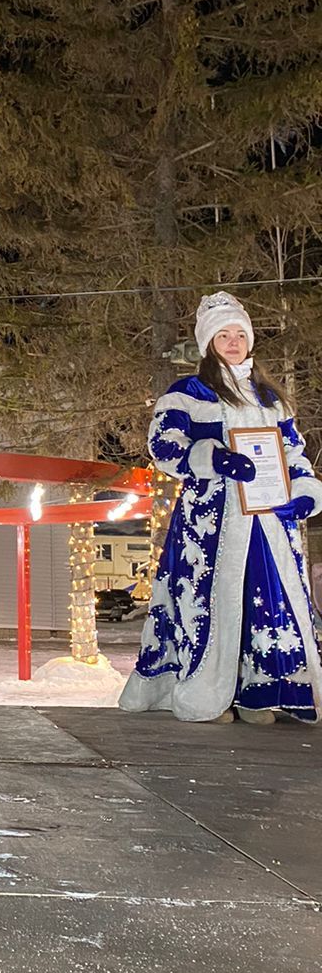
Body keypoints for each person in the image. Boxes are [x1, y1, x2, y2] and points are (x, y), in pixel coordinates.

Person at [120, 291, 322, 724]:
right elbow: (163, 445)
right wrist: (212, 458)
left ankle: (257, 694)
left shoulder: (271, 399)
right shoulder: (188, 393)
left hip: (269, 525)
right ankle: (207, 694)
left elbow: (294, 453)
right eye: (223, 334)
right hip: (210, 524)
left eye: (239, 334)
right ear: (209, 342)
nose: (233, 341)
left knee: (267, 603)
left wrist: (305, 490)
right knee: (208, 602)